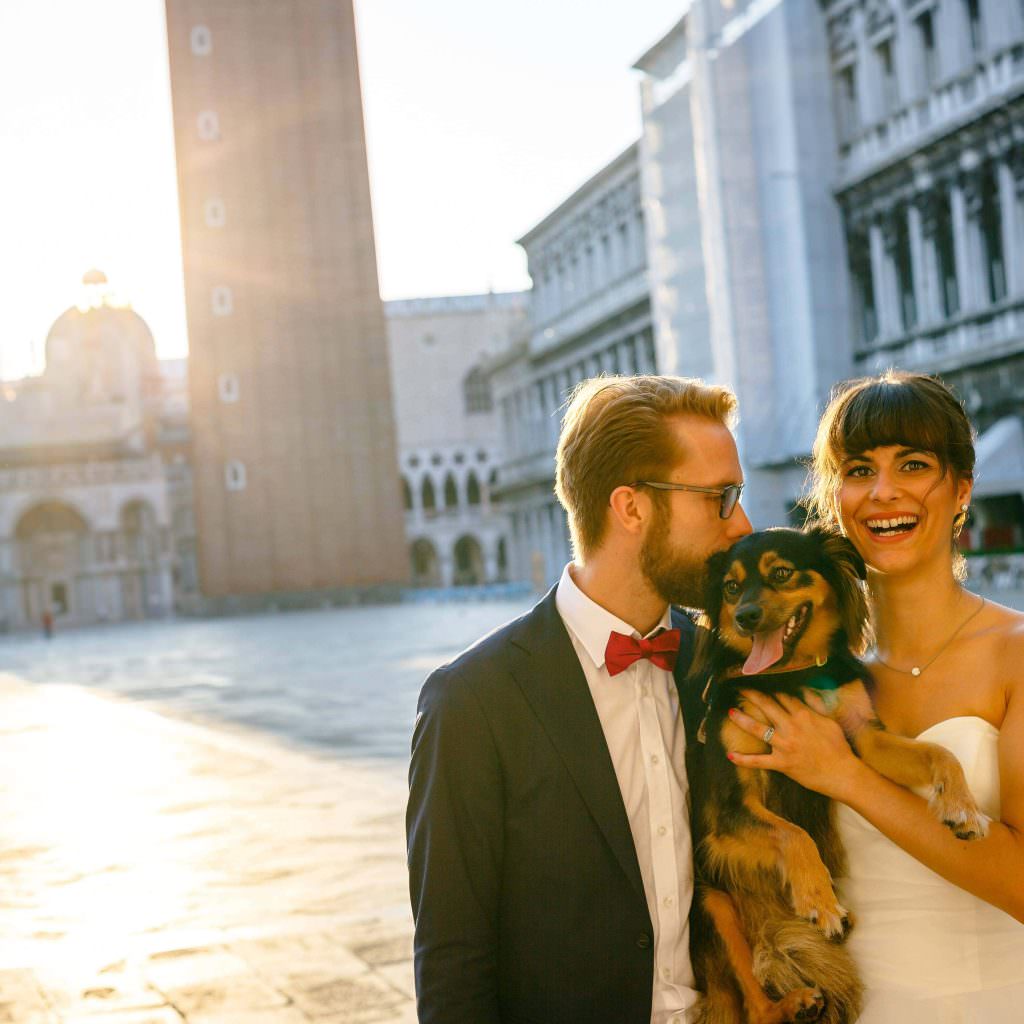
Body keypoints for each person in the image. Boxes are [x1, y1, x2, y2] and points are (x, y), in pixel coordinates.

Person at [406, 374, 752, 1024]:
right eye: (721, 499)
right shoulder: (473, 702)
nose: (743, 524)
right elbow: (453, 963)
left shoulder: (717, 666)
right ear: (631, 508)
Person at [728, 370, 1024, 1023]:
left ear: (962, 489)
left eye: (912, 465)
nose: (884, 492)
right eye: (859, 470)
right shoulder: (817, 684)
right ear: (835, 500)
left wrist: (847, 777)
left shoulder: (1017, 653)